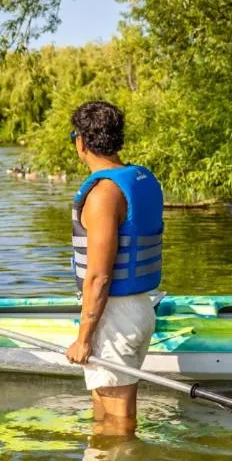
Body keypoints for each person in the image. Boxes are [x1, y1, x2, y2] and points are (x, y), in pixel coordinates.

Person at [64, 101, 164, 435]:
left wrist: (83, 338)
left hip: (114, 316)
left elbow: (99, 276)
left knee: (119, 424)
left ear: (81, 142)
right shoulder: (140, 178)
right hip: (137, 308)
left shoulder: (104, 194)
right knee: (103, 417)